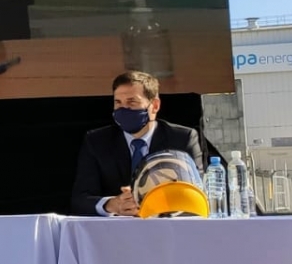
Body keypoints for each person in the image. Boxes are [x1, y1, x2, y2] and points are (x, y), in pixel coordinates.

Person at [71, 71, 204, 216]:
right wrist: (112, 204)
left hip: (167, 227)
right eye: (118, 102)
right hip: (115, 231)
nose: (123, 109)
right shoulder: (97, 141)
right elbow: (80, 199)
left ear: (154, 106)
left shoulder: (182, 138)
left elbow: (196, 191)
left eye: (131, 102)